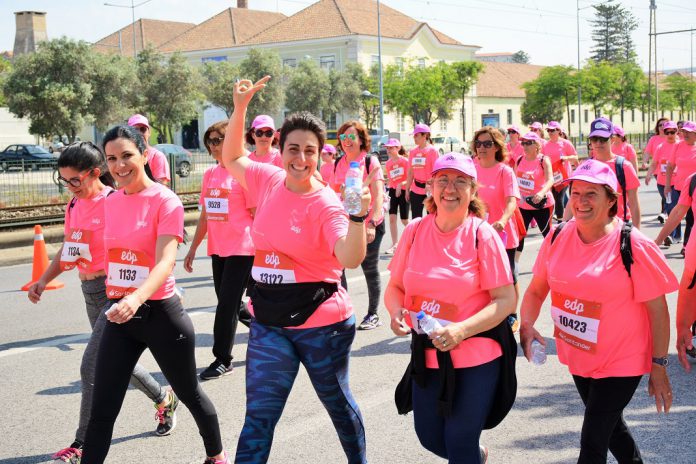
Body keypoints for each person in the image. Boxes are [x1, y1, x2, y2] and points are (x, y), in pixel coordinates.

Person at [222, 76, 369, 464]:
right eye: (293, 149)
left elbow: (350, 258)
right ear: (281, 149)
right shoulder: (269, 180)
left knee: (338, 408)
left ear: (321, 155)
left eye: (309, 151)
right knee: (259, 417)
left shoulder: (327, 204)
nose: (300, 159)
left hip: (322, 325)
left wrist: (358, 217)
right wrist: (240, 109)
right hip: (269, 320)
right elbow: (232, 158)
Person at [81, 125, 229, 464]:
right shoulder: (111, 201)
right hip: (121, 316)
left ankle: (216, 455)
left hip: (161, 315)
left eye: (127, 156)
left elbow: (165, 262)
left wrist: (135, 298)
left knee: (190, 392)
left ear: (144, 155)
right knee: (103, 409)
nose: (119, 166)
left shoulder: (166, 200)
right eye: (112, 158)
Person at [520, 159, 677, 464]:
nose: (580, 201)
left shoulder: (632, 244)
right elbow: (537, 289)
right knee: (611, 428)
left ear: (611, 201)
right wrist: (527, 324)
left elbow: (658, 311)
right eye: (576, 193)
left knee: (592, 442)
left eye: (591, 194)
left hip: (623, 359)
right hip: (580, 354)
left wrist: (658, 366)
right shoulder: (557, 237)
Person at [27, 142, 175, 463]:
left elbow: (139, 243)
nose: (70, 187)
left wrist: (138, 292)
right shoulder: (73, 206)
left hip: (114, 293)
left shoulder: (114, 202)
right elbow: (71, 248)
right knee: (116, 360)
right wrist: (43, 279)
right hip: (89, 293)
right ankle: (164, 399)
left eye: (75, 180)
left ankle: (81, 444)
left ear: (95, 173)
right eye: (64, 181)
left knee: (90, 366)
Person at [385, 152, 516, 463]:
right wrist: (394, 313)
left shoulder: (481, 234)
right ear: (431, 186)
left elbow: (506, 300)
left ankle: (468, 453)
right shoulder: (415, 230)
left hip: (476, 356)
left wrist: (461, 330)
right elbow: (395, 288)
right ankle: (476, 456)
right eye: (443, 180)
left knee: (458, 440)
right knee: (430, 437)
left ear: (472, 191)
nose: (450, 188)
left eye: (460, 182)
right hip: (427, 355)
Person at [183, 120, 254, 380]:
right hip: (219, 249)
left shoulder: (244, 172)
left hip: (243, 248)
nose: (213, 146)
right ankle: (268, 330)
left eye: (218, 140)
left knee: (226, 306)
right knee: (231, 304)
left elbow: (258, 214)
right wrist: (193, 249)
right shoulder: (211, 174)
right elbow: (206, 216)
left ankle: (222, 358)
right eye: (209, 141)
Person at [332, 120, 386, 330]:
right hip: (345, 224)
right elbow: (335, 193)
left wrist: (372, 222)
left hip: (369, 222)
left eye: (351, 137)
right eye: (343, 138)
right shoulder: (338, 163)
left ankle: (373, 314)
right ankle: (344, 313)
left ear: (362, 139)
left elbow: (379, 195)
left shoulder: (370, 162)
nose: (346, 141)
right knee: (339, 269)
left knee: (369, 268)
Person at [472, 127, 522, 329]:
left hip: (502, 232)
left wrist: (502, 220)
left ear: (496, 147)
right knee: (478, 274)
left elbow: (512, 201)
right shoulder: (471, 167)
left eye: (487, 144)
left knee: (507, 275)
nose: (482, 148)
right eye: (479, 143)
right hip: (475, 231)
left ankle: (511, 313)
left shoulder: (505, 171)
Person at [574, 118, 642, 229]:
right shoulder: (585, 166)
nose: (598, 143)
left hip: (617, 227)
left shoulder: (624, 166)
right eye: (594, 139)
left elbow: (634, 203)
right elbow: (574, 199)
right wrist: (565, 225)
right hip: (590, 228)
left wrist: (636, 233)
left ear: (612, 139)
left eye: (603, 139)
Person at [514, 132, 554, 254]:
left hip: (541, 205)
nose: (524, 146)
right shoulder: (519, 159)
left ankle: (554, 259)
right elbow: (514, 179)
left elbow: (550, 180)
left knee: (548, 235)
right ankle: (514, 267)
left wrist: (542, 193)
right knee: (519, 235)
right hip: (523, 205)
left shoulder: (543, 160)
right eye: (523, 143)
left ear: (537, 145)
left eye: (528, 143)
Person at [663, 120, 696, 255]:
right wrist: (667, 185)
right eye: (683, 132)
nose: (685, 134)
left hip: (693, 189)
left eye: (688, 132)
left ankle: (686, 246)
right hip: (678, 187)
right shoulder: (677, 146)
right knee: (674, 213)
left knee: (690, 218)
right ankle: (673, 235)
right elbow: (670, 166)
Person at [647, 120, 680, 243]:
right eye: (667, 132)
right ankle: (676, 236)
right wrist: (649, 174)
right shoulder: (660, 147)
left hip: (677, 182)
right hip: (662, 182)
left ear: (677, 131)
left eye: (673, 132)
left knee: (673, 208)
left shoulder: (680, 145)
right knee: (671, 207)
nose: (670, 135)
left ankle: (671, 236)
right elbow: (654, 163)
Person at [542, 121, 578, 221]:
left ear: (558, 131)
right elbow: (541, 159)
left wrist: (566, 158)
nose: (550, 132)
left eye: (552, 130)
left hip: (563, 176)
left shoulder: (566, 143)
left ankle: (560, 220)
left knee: (559, 197)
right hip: (551, 177)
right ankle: (566, 216)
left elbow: (575, 157)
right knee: (553, 198)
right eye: (548, 130)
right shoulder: (545, 145)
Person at [405, 123, 439, 218]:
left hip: (429, 190)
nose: (414, 138)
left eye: (417, 135)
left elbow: (436, 172)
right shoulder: (412, 152)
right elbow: (411, 172)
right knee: (416, 219)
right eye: (414, 136)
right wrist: (407, 189)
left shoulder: (432, 151)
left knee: (432, 218)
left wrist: (430, 186)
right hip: (415, 190)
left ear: (425, 135)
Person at [127, 114, 171, 185]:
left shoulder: (157, 157)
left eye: (143, 129)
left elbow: (161, 187)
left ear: (149, 132)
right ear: (127, 134)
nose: (139, 133)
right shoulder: (124, 157)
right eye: (135, 130)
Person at [383, 138, 410, 255]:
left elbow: (410, 178)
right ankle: (395, 244)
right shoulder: (388, 164)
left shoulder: (405, 161)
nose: (388, 150)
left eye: (391, 148)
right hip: (393, 192)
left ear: (398, 148)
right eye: (387, 148)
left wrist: (401, 185)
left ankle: (416, 238)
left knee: (404, 220)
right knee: (392, 218)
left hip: (404, 191)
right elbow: (390, 179)